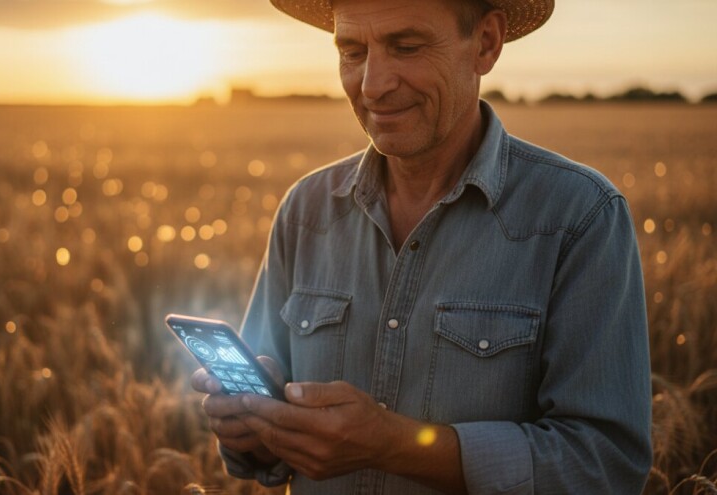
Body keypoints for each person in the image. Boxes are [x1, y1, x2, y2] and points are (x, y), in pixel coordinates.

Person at [191, 0, 653, 492]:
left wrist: (395, 446)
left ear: (486, 43)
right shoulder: (306, 211)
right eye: (352, 52)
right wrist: (253, 426)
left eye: (406, 47)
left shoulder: (578, 217)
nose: (372, 85)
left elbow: (605, 464)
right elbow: (265, 451)